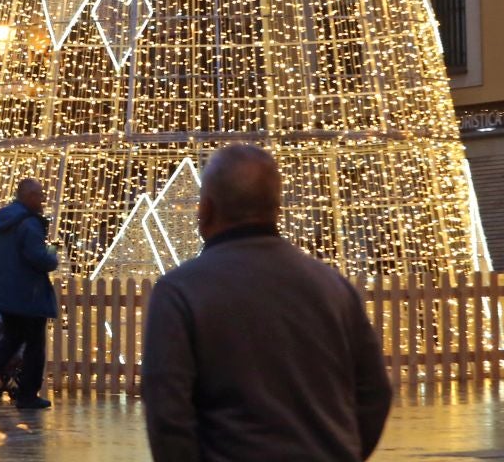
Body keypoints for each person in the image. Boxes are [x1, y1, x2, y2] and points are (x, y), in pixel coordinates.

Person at [142, 144, 394, 461]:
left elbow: (168, 416)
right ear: (276, 208)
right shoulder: (334, 288)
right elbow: (375, 392)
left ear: (206, 209)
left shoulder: (179, 292)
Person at [0, 177, 58, 411]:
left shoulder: (5, 220)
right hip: (28, 293)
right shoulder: (29, 223)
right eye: (39, 194)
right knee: (35, 345)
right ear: (28, 196)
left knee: (12, 339)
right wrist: (52, 254)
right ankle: (28, 394)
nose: (43, 198)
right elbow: (38, 257)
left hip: (6, 292)